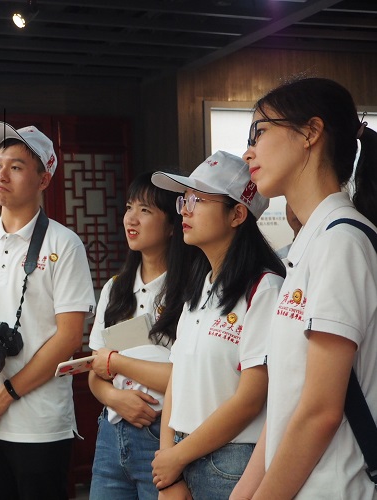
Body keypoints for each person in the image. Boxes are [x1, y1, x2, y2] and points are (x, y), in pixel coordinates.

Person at [232, 77, 377, 499]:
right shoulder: (312, 243)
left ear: (311, 132)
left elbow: (320, 412)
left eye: (260, 132)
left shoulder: (341, 241)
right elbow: (288, 401)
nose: (248, 152)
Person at [0, 121, 96, 500]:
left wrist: (7, 393)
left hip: (39, 423)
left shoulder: (65, 244)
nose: (1, 175)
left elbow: (69, 337)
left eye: (15, 167)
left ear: (43, 179)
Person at [150, 151, 286, 499]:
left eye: (197, 200)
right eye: (184, 200)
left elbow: (250, 399)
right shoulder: (200, 286)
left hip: (231, 463)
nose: (185, 210)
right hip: (181, 456)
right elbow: (177, 379)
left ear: (237, 214)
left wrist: (177, 457)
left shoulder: (264, 288)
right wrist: (169, 466)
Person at [87, 171, 195, 499]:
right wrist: (115, 398)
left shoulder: (191, 291)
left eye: (145, 210)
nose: (131, 219)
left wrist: (117, 362)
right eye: (129, 207)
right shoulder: (116, 288)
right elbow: (96, 370)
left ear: (173, 225)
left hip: (164, 436)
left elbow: (186, 378)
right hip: (112, 432)